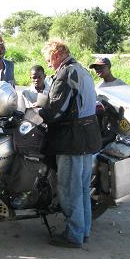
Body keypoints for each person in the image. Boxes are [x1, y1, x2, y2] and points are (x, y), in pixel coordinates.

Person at [38, 39, 102, 248]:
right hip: (87, 137)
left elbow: (55, 110)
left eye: (48, 58)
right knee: (82, 189)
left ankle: (73, 236)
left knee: (69, 189)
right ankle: (83, 232)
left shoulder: (65, 73)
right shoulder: (81, 70)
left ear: (56, 54)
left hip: (72, 140)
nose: (47, 63)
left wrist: (38, 112)